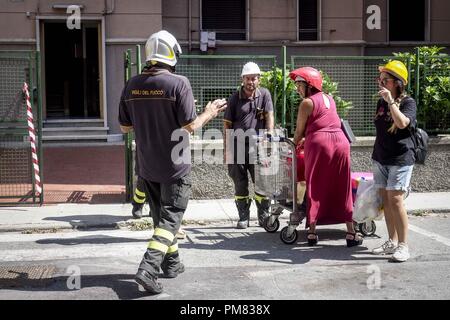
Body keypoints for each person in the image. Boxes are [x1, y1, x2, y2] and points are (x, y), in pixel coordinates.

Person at [119, 30, 226, 294]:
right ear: (171, 53)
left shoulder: (131, 84)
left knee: (161, 219)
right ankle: (148, 268)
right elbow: (190, 126)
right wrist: (209, 112)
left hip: (147, 166)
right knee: (171, 219)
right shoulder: (179, 83)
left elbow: (124, 128)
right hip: (175, 166)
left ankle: (172, 263)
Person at [290, 66, 362, 247]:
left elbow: (299, 132)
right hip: (341, 142)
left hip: (320, 144)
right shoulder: (329, 98)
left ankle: (312, 232)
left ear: (310, 85)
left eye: (300, 85)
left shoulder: (307, 103)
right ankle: (351, 233)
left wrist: (294, 143)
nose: (297, 89)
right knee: (342, 186)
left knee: (315, 185)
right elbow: (326, 122)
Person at [371, 60, 416, 262]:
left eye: (385, 79)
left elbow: (402, 123)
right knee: (386, 201)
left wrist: (391, 102)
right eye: (380, 79)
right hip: (380, 157)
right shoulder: (381, 102)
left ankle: (403, 246)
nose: (381, 82)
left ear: (397, 82)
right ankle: (391, 241)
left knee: (396, 200)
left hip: (400, 158)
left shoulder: (408, 103)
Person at [223, 62, 274, 229]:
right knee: (240, 183)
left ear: (258, 79)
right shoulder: (234, 98)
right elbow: (227, 125)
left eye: (254, 78)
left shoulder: (264, 95)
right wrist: (227, 150)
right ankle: (243, 217)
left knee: (262, 182)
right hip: (237, 146)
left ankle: (263, 216)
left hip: (258, 146)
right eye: (247, 78)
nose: (250, 81)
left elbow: (269, 117)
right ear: (242, 79)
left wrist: (269, 136)